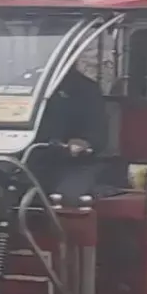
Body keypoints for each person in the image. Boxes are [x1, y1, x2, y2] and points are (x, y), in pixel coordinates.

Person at [33, 65, 109, 200]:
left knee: (67, 196)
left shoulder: (85, 88)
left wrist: (83, 143)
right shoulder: (27, 83)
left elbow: (97, 134)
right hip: (30, 158)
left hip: (73, 163)